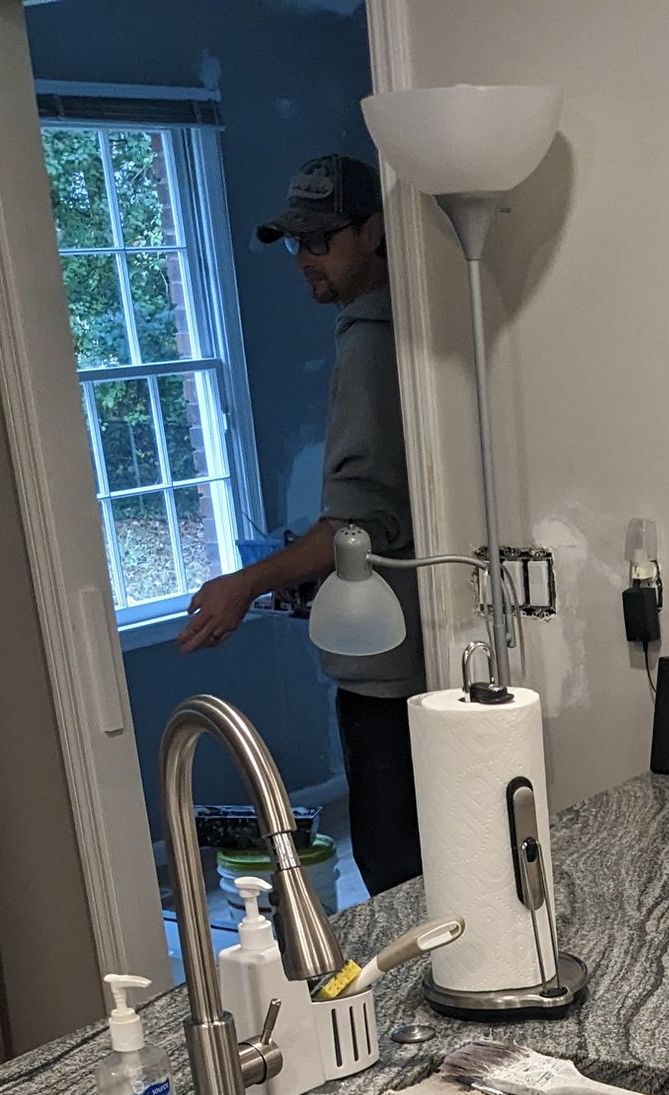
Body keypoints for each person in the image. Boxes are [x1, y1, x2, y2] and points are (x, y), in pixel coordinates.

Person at [179, 153, 426, 896]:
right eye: (296, 243)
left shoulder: (372, 343)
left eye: (321, 241)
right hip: (397, 654)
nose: (303, 260)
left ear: (374, 232)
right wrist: (305, 570)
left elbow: (359, 522)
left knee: (395, 867)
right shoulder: (391, 329)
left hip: (389, 673)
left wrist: (244, 584)